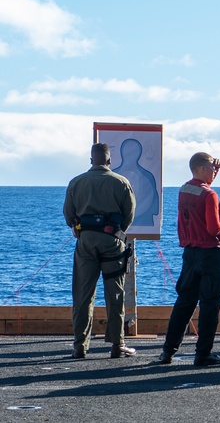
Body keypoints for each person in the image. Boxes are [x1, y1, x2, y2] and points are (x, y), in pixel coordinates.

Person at [63, 143, 136, 359]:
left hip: (86, 242)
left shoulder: (76, 182)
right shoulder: (121, 182)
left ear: (91, 160)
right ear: (109, 161)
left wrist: (79, 229)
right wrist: (117, 233)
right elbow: (128, 215)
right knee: (115, 292)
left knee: (83, 294)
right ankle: (117, 343)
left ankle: (80, 345)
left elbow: (69, 215)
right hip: (112, 242)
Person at [160, 152, 220, 366]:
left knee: (184, 303)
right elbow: (214, 229)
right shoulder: (210, 196)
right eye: (210, 168)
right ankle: (203, 353)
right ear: (202, 169)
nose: (213, 171)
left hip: (190, 255)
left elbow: (202, 187)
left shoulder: (184, 189)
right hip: (210, 254)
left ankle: (168, 351)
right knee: (210, 304)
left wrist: (214, 171)